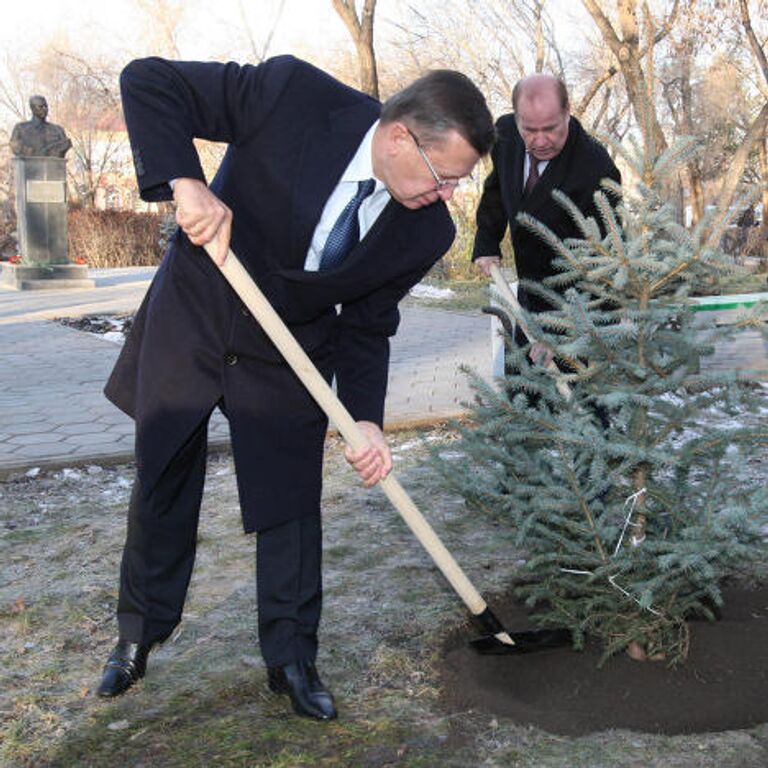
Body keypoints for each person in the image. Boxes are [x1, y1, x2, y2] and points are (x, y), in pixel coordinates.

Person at [95, 55, 495, 721]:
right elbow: (146, 78)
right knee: (163, 480)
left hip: (288, 352)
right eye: (444, 176)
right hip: (199, 311)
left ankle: (291, 658)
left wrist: (364, 420)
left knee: (289, 505)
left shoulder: (426, 229)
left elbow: (369, 328)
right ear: (400, 136)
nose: (448, 194)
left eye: (460, 182)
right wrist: (186, 183)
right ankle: (137, 635)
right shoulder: (293, 95)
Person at [472, 73, 620, 366]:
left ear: (567, 112)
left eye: (551, 129)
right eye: (530, 129)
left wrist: (564, 336)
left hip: (577, 313)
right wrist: (487, 240)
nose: (540, 141)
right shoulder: (504, 135)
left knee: (578, 405)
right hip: (528, 298)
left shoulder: (595, 167)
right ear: (516, 119)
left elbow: (605, 261)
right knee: (521, 396)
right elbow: (497, 189)